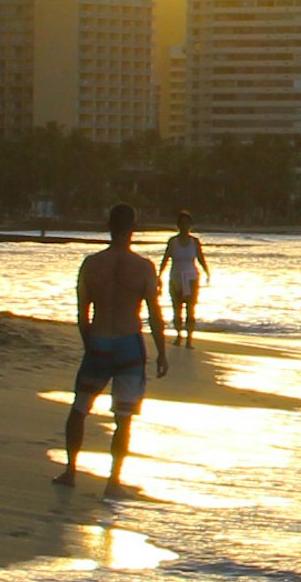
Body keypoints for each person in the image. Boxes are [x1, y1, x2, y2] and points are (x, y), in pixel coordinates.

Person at [63, 201, 170, 490]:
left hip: (99, 340)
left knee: (80, 407)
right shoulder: (143, 267)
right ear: (133, 229)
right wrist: (161, 352)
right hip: (129, 345)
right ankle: (113, 480)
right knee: (123, 417)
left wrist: (89, 343)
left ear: (108, 227)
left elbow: (82, 312)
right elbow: (154, 313)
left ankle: (71, 471)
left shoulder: (92, 264)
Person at [160, 212, 209, 339]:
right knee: (177, 308)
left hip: (191, 278)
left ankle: (189, 338)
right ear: (178, 225)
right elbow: (165, 259)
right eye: (182, 223)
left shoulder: (195, 242)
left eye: (187, 223)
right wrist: (159, 275)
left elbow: (200, 258)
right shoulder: (173, 242)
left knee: (190, 308)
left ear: (190, 225)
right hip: (175, 278)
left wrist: (207, 272)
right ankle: (178, 335)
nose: (184, 226)